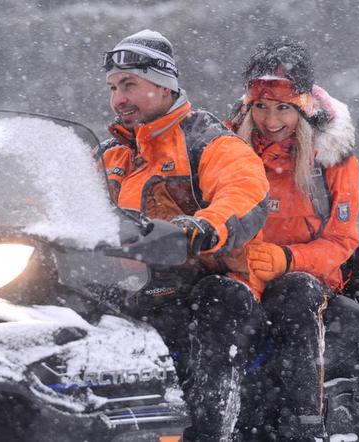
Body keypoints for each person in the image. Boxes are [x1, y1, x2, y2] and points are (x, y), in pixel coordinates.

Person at [99, 29, 270, 441]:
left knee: (220, 301)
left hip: (197, 279)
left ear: (163, 86)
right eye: (113, 88)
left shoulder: (207, 141)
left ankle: (210, 431)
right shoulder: (111, 152)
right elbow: (56, 199)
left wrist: (198, 228)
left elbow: (244, 191)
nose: (119, 98)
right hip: (127, 281)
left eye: (129, 85)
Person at [226, 36, 359, 441]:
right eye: (261, 107)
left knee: (293, 293)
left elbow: (342, 241)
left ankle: (303, 427)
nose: (271, 120)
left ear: (302, 106)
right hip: (241, 271)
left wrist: (288, 259)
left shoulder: (331, 157)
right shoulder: (226, 147)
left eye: (283, 108)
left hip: (310, 283)